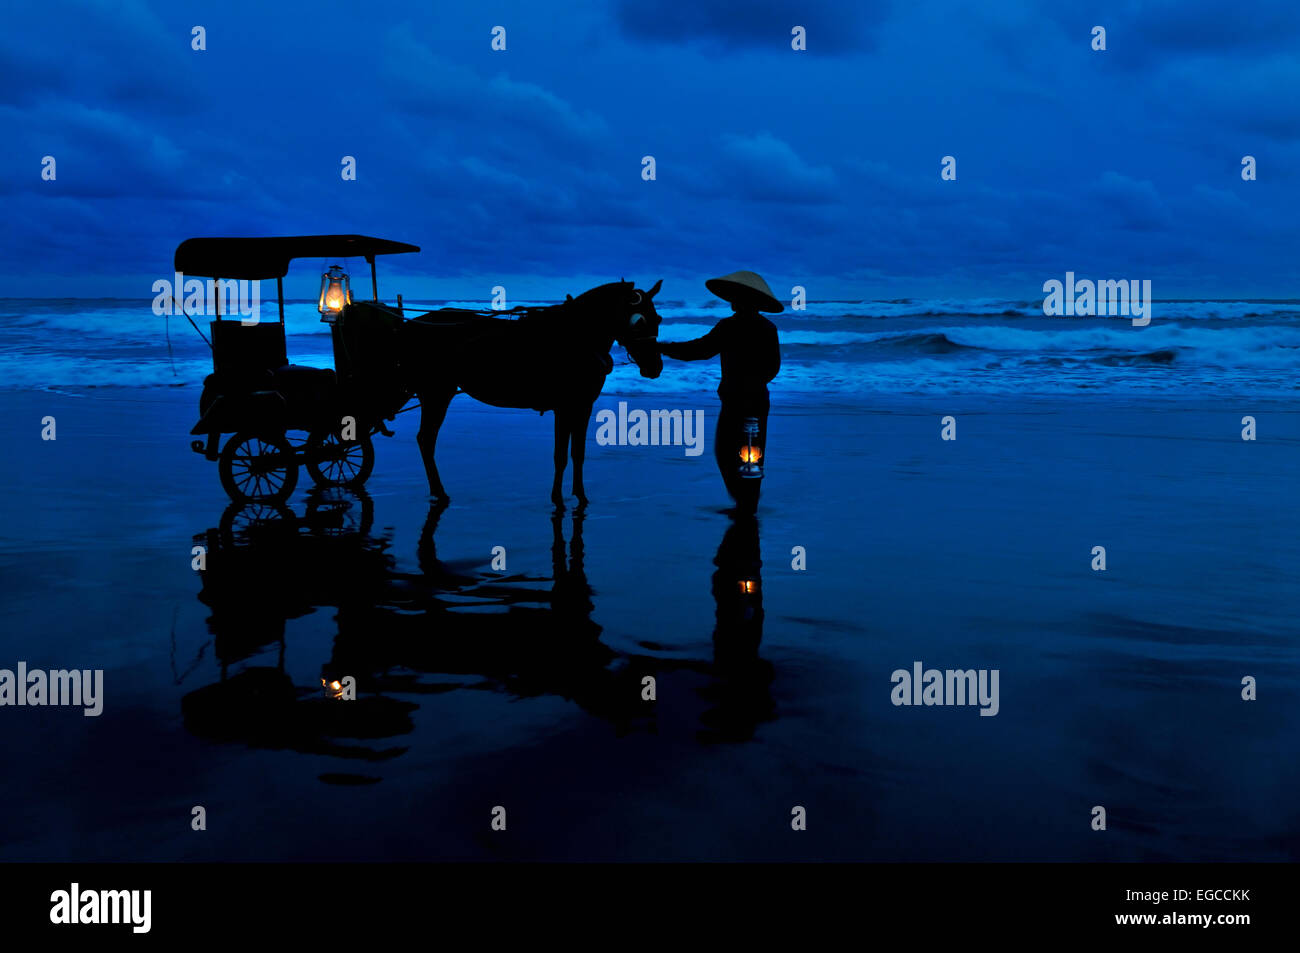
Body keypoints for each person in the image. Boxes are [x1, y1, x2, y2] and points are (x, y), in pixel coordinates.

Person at [659, 271, 782, 511]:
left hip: (736, 401)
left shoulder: (729, 326)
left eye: (736, 295)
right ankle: (748, 502)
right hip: (756, 400)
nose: (732, 299)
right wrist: (754, 382)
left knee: (726, 452)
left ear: (744, 298)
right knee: (751, 454)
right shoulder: (768, 328)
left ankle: (743, 502)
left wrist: (662, 348)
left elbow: (698, 350)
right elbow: (773, 368)